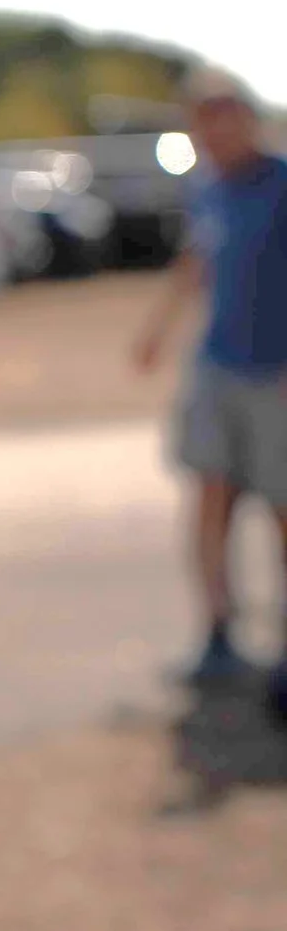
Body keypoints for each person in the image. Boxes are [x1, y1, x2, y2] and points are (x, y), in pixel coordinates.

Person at [133, 66, 287, 714]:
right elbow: (197, 261)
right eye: (202, 121)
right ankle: (219, 631)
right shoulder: (209, 189)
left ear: (247, 118)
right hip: (217, 366)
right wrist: (156, 330)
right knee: (210, 497)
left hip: (277, 373)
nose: (213, 132)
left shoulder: (281, 185)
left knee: (283, 508)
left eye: (223, 117)